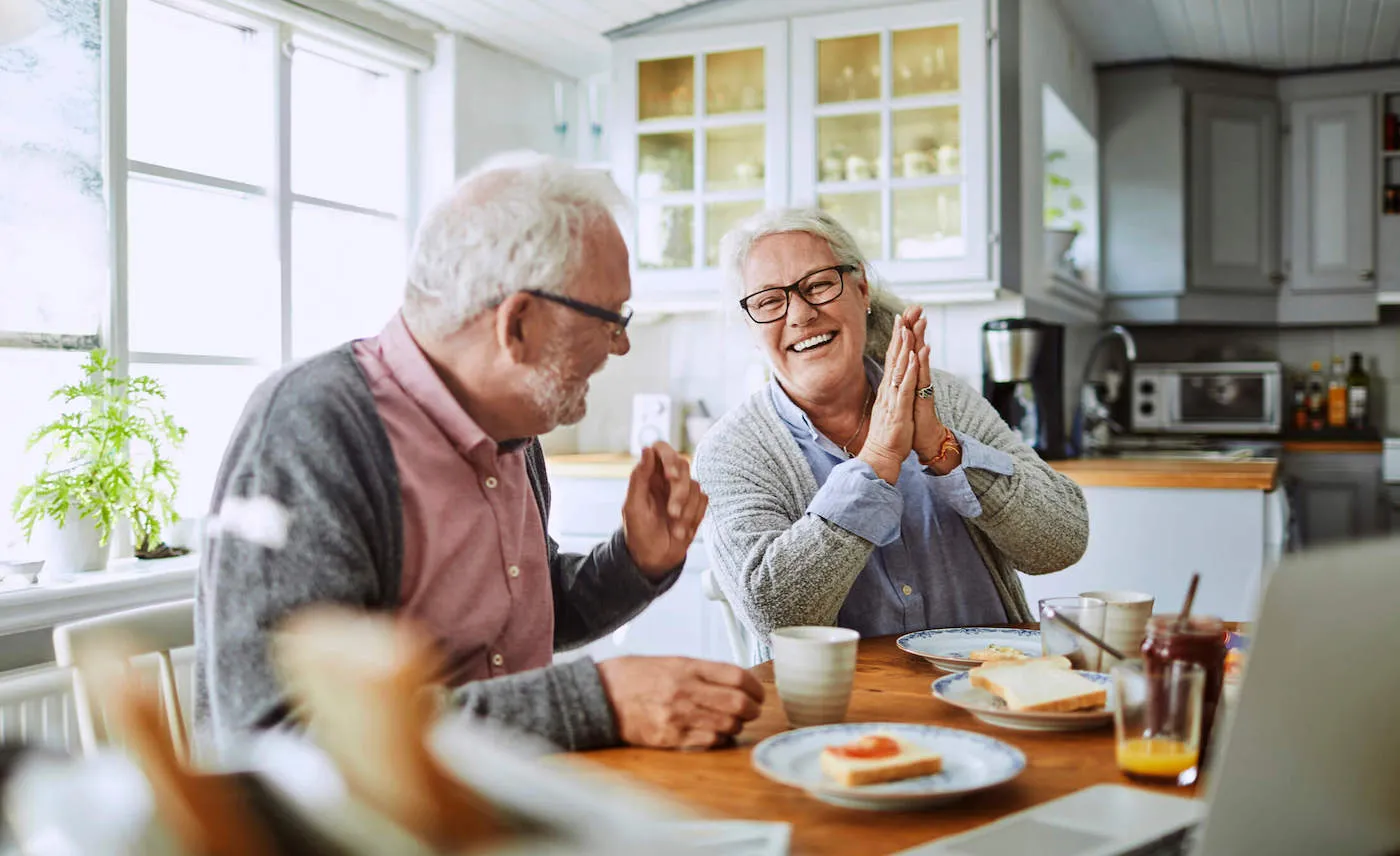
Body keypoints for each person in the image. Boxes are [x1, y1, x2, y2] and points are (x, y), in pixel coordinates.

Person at [194, 152, 763, 755]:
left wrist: (634, 562)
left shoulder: (512, 429)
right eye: (610, 319)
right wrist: (597, 703)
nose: (620, 346)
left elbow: (521, 620)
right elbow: (278, 735)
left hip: (510, 808)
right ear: (517, 325)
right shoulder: (311, 429)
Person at [694, 208, 1088, 659]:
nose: (800, 314)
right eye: (768, 301)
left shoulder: (945, 398)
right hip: (843, 718)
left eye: (819, 284)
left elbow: (1062, 543)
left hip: (993, 688)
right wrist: (877, 461)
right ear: (751, 325)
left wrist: (946, 451)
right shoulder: (732, 451)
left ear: (860, 287)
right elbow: (776, 615)